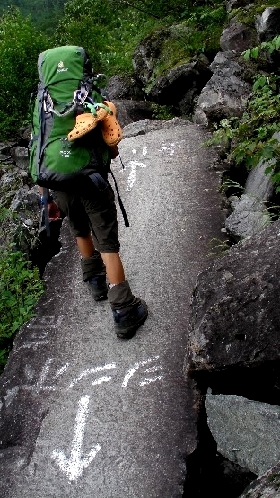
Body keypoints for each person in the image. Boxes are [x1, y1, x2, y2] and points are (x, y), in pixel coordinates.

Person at [39, 140, 148, 340]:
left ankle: (96, 281)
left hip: (60, 185)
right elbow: (113, 151)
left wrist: (45, 198)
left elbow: (38, 153)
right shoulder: (92, 107)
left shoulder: (45, 108)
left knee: (79, 228)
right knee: (107, 243)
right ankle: (124, 310)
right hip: (92, 182)